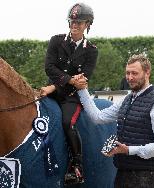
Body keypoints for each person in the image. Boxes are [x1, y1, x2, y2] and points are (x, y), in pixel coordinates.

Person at [75, 54, 154, 188]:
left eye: (135, 73)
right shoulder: (127, 99)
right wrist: (82, 89)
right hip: (122, 173)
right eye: (128, 73)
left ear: (147, 72)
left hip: (146, 177)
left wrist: (128, 150)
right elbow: (98, 117)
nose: (130, 78)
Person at [42, 2, 98, 185]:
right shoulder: (56, 41)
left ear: (88, 24)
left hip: (72, 96)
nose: (74, 26)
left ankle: (77, 165)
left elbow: (83, 79)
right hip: (51, 91)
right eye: (72, 22)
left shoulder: (92, 50)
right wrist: (67, 81)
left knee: (68, 122)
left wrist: (57, 86)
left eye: (79, 23)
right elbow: (49, 67)